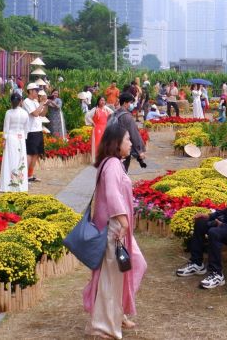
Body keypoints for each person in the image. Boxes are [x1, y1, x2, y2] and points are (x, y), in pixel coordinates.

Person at [83, 123, 147, 339]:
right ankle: (104, 327)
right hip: (114, 228)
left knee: (134, 264)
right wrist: (123, 221)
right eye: (128, 139)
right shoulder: (111, 164)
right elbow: (112, 194)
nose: (131, 143)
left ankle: (116, 313)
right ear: (116, 143)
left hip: (117, 227)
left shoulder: (114, 163)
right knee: (111, 277)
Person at [176, 157, 227, 289]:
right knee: (201, 222)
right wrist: (209, 216)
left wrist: (224, 226)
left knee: (215, 233)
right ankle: (197, 263)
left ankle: (217, 274)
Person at [0, 93, 29, 193]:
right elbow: (26, 128)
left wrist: (4, 139)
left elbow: (6, 128)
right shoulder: (25, 113)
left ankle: (9, 185)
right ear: (21, 101)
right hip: (20, 138)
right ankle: (20, 185)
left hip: (11, 138)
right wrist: (23, 137)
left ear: (11, 102)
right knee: (20, 160)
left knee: (10, 160)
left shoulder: (9, 113)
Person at [110, 92, 147, 171]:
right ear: (125, 103)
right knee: (122, 171)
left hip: (111, 148)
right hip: (123, 150)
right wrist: (140, 151)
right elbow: (134, 134)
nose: (131, 105)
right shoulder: (127, 117)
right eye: (130, 102)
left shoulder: (113, 114)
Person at [22, 84, 48, 183]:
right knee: (30, 153)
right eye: (36, 90)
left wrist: (45, 104)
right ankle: (24, 175)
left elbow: (42, 114)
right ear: (30, 91)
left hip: (38, 130)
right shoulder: (26, 102)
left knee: (36, 154)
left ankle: (30, 175)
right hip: (31, 131)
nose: (37, 93)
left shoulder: (35, 101)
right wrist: (41, 103)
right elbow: (35, 113)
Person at [86, 96, 114, 162]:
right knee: (97, 143)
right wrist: (92, 122)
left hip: (105, 128)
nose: (102, 102)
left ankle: (105, 157)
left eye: (104, 100)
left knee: (105, 143)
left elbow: (113, 114)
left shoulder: (106, 109)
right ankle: (97, 158)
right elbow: (87, 116)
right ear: (98, 101)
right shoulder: (95, 109)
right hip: (97, 128)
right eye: (101, 100)